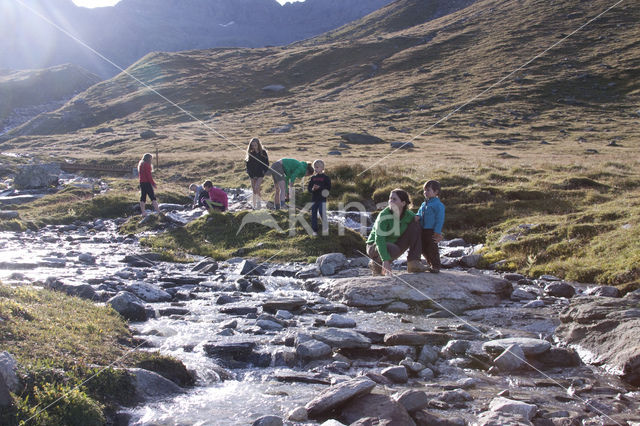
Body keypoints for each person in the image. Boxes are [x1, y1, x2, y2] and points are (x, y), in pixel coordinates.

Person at [366, 188, 427, 276]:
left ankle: (414, 262)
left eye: (394, 199)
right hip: (374, 246)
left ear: (403, 203)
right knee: (390, 248)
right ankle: (376, 264)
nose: (390, 201)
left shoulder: (409, 215)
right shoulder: (384, 215)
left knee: (416, 224)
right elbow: (379, 239)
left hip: (394, 245)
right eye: (390, 198)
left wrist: (439, 233)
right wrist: (385, 261)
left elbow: (423, 226)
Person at [416, 180, 445, 273]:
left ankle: (436, 265)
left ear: (436, 192)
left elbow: (439, 219)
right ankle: (430, 264)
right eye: (424, 190)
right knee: (423, 248)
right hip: (422, 229)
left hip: (431, 230)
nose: (425, 192)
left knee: (432, 247)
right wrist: (417, 217)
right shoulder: (424, 204)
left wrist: (437, 231)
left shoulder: (438, 205)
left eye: (428, 190)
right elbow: (419, 213)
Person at [307, 159, 331, 236]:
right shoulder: (313, 178)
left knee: (322, 212)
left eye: (317, 167)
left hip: (322, 199)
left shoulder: (326, 177)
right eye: (314, 167)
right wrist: (313, 189)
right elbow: (309, 188)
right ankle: (314, 230)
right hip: (314, 199)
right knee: (313, 213)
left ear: (322, 168)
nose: (315, 169)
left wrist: (320, 187)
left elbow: (328, 188)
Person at [245, 137, 269, 209]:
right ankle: (254, 205)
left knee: (257, 187)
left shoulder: (263, 153)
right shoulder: (250, 153)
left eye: (255, 145)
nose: (254, 147)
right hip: (252, 174)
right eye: (252, 145)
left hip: (260, 173)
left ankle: (259, 204)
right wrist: (251, 174)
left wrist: (263, 171)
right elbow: (248, 165)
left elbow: (266, 163)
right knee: (254, 190)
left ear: (258, 145)